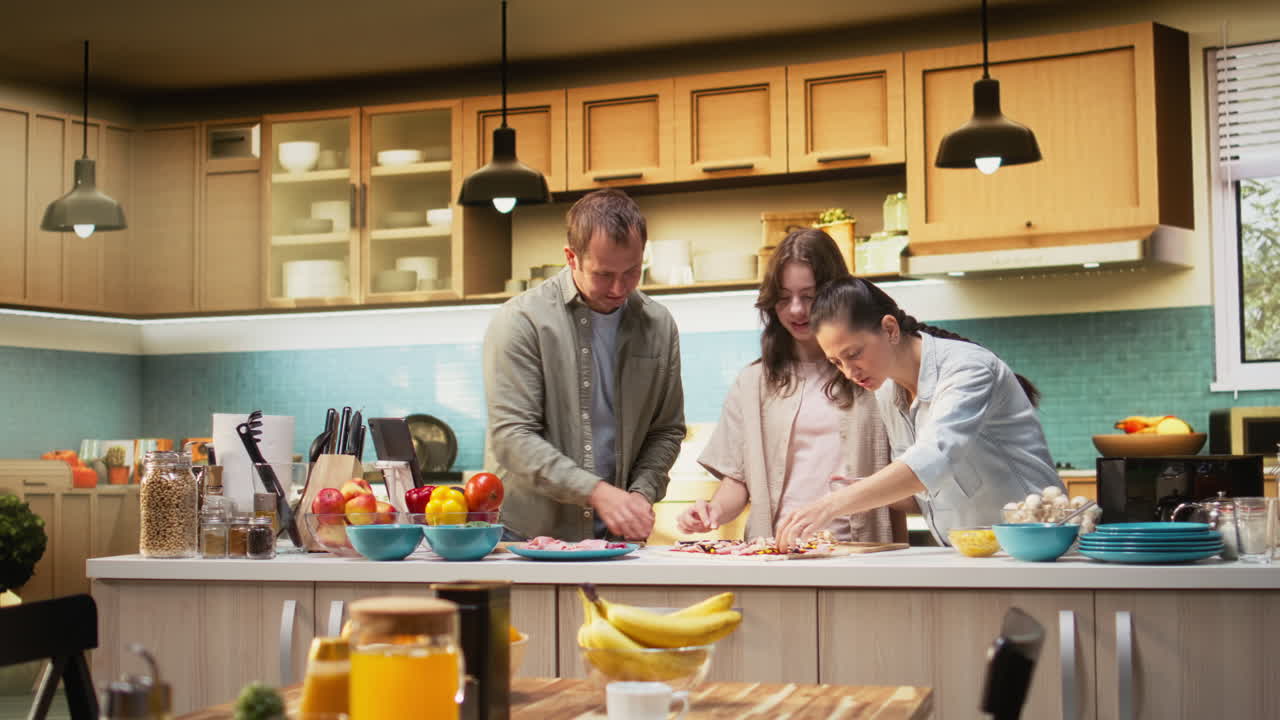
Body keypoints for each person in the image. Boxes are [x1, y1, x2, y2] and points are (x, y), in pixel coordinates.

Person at [775, 276, 1065, 549]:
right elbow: (928, 490)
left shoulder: (967, 369)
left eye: (853, 354)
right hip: (974, 556)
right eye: (836, 362)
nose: (849, 372)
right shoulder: (888, 391)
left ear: (890, 329)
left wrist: (832, 505)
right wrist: (863, 492)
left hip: (1039, 550)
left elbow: (930, 462)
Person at [677, 229, 904, 544]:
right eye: (784, 298)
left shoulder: (874, 376)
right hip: (776, 553)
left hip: (861, 552)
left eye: (808, 296)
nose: (796, 310)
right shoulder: (752, 382)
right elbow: (739, 482)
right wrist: (712, 510)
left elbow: (911, 476)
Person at [482, 188, 685, 542]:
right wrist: (598, 492)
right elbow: (512, 436)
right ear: (571, 257)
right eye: (604, 274)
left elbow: (665, 430)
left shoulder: (658, 324)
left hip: (616, 543)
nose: (620, 288)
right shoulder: (522, 320)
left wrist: (640, 494)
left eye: (633, 271)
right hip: (529, 541)